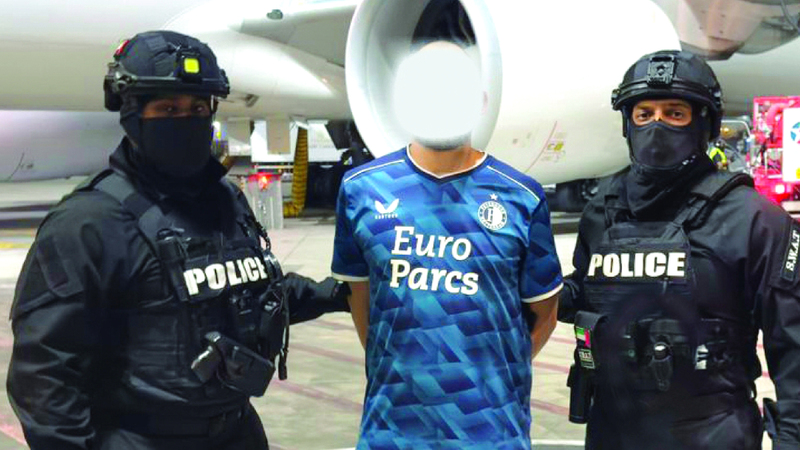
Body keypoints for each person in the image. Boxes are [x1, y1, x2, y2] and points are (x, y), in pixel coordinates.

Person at [7, 30, 349, 450]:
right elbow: (43, 376)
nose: (186, 120)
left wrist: (339, 293)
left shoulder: (225, 200)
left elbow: (255, 294)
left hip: (237, 432)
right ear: (132, 113)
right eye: (168, 109)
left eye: (197, 108)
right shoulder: (88, 224)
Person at [558, 50, 800, 450]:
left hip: (712, 434)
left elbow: (792, 343)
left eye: (674, 114)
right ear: (628, 124)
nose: (656, 126)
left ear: (705, 123)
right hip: (612, 433)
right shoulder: (602, 211)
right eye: (644, 114)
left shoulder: (754, 219)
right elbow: (586, 293)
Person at [331, 41, 562, 449]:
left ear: (480, 102)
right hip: (392, 432)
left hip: (491, 432)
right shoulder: (362, 189)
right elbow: (362, 303)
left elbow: (545, 314)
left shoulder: (521, 197)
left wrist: (488, 376)